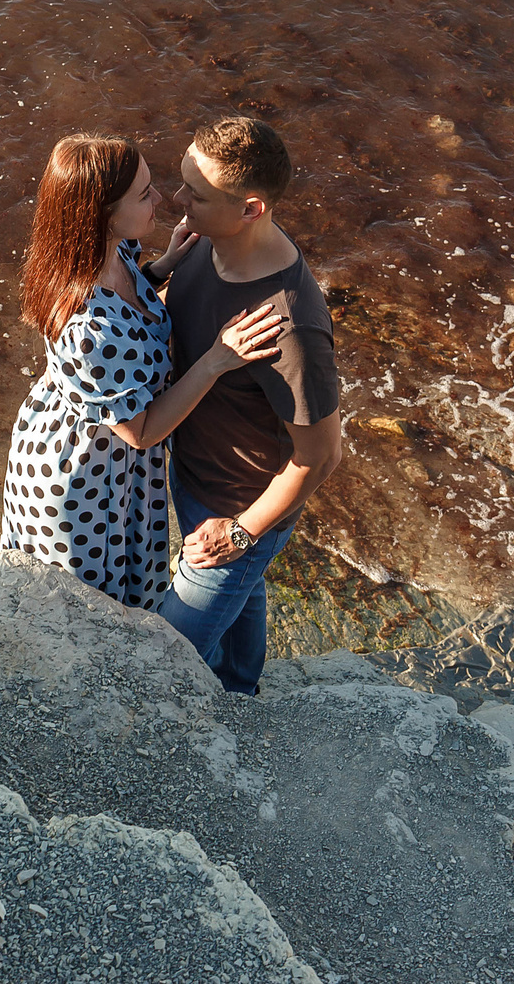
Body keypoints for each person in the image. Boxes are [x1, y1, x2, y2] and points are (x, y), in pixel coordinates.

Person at [0, 134, 292, 608]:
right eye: (144, 194)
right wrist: (218, 358)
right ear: (103, 214)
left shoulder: (105, 252)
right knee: (92, 610)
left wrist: (164, 265)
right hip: (85, 478)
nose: (162, 198)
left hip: (108, 458)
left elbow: (130, 310)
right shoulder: (88, 329)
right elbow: (143, 431)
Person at [155, 116, 341, 694]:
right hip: (192, 476)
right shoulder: (200, 243)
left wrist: (241, 533)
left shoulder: (290, 327)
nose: (175, 200)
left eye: (196, 194)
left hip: (239, 507)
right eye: (182, 181)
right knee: (243, 605)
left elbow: (320, 456)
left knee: (160, 659)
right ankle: (238, 690)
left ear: (251, 209)